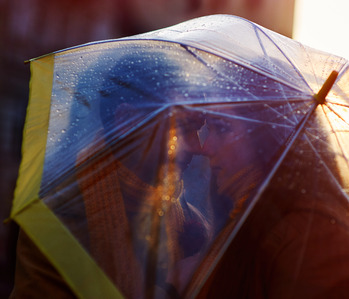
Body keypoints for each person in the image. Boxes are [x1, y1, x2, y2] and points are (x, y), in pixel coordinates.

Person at [11, 47, 211, 299]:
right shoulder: (58, 221)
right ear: (126, 121)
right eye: (181, 126)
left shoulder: (191, 224)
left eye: (198, 128)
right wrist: (170, 287)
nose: (198, 146)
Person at [187, 103, 349, 298]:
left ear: (268, 134)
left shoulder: (312, 239)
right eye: (208, 128)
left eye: (222, 128)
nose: (206, 147)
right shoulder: (246, 218)